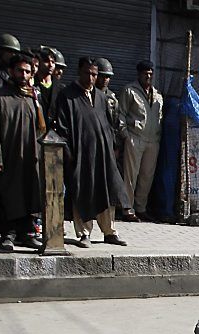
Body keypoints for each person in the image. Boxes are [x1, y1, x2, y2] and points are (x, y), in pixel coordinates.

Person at [52, 56, 128, 248]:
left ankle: (109, 232)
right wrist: (69, 153)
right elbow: (62, 128)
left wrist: (112, 147)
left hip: (103, 155)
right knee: (82, 192)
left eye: (94, 74)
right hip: (80, 154)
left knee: (107, 190)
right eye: (87, 73)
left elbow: (109, 125)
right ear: (79, 71)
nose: (91, 78)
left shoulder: (102, 97)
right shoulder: (68, 95)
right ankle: (84, 233)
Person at [0, 53, 46, 252]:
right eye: (20, 70)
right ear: (11, 71)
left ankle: (27, 234)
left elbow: (40, 127)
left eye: (28, 71)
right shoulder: (0, 97)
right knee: (10, 195)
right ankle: (8, 235)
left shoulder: (32, 96)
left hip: (30, 156)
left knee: (30, 193)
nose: (24, 74)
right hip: (9, 155)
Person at [119, 60, 163, 222]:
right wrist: (125, 136)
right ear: (139, 74)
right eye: (145, 73)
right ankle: (127, 208)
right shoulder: (130, 91)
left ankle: (141, 207)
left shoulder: (157, 95)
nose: (148, 76)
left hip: (152, 140)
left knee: (147, 176)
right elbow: (121, 113)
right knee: (130, 175)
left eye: (151, 73)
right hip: (135, 137)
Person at [35, 47, 60, 121]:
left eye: (53, 62)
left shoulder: (60, 88)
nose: (50, 65)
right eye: (46, 61)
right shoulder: (32, 85)